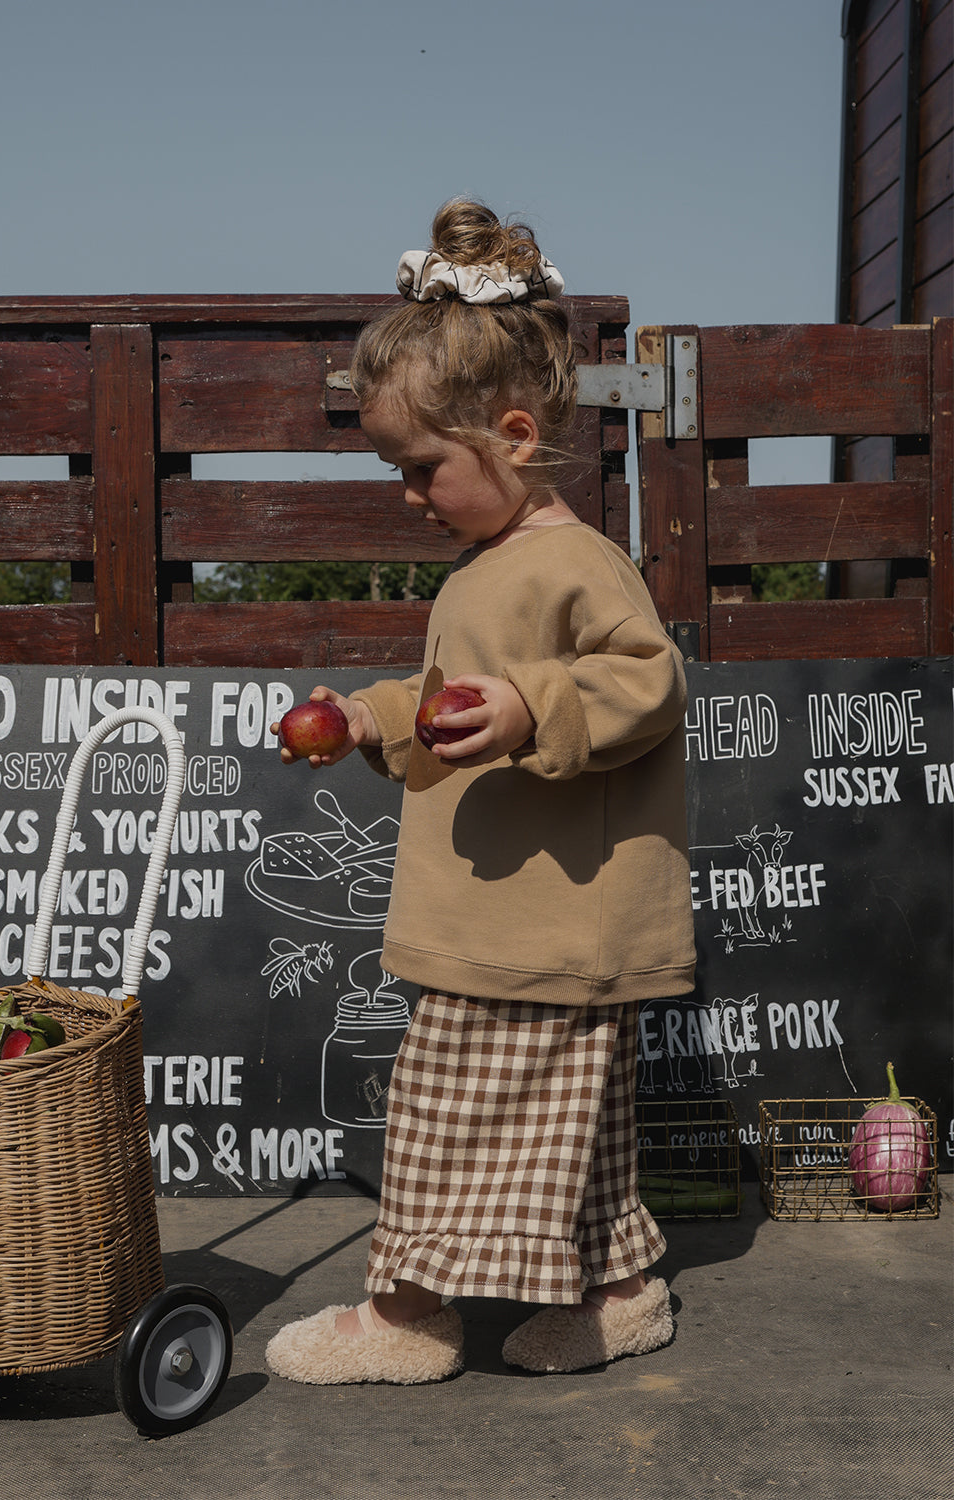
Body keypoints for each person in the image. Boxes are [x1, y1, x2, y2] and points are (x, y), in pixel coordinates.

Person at [264, 199, 697, 1386]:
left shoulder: (575, 563)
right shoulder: (489, 566)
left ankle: (408, 1316)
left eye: (422, 469)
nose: (409, 494)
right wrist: (368, 716)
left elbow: (645, 682)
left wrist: (533, 707)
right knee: (583, 1127)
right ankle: (618, 1294)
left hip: (545, 919)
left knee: (445, 1113)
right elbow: (450, 702)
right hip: (520, 916)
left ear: (513, 433)